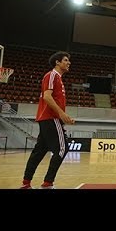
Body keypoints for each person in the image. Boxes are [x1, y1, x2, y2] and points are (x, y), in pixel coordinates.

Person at [20, 51, 75, 189]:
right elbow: (47, 97)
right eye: (66, 60)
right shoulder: (52, 75)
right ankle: (48, 183)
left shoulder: (59, 79)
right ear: (57, 62)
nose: (69, 63)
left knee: (39, 151)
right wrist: (62, 114)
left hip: (47, 119)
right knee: (63, 149)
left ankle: (26, 183)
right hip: (51, 118)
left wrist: (64, 116)